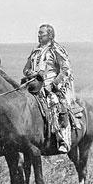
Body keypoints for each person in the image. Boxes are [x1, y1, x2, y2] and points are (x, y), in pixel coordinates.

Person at [23, 24, 76, 154]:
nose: (39, 35)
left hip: (52, 85)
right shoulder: (35, 51)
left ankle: (63, 139)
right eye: (38, 33)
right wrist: (32, 73)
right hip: (33, 84)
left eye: (42, 33)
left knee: (55, 104)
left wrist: (53, 84)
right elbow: (26, 69)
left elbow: (66, 69)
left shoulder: (56, 49)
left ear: (50, 35)